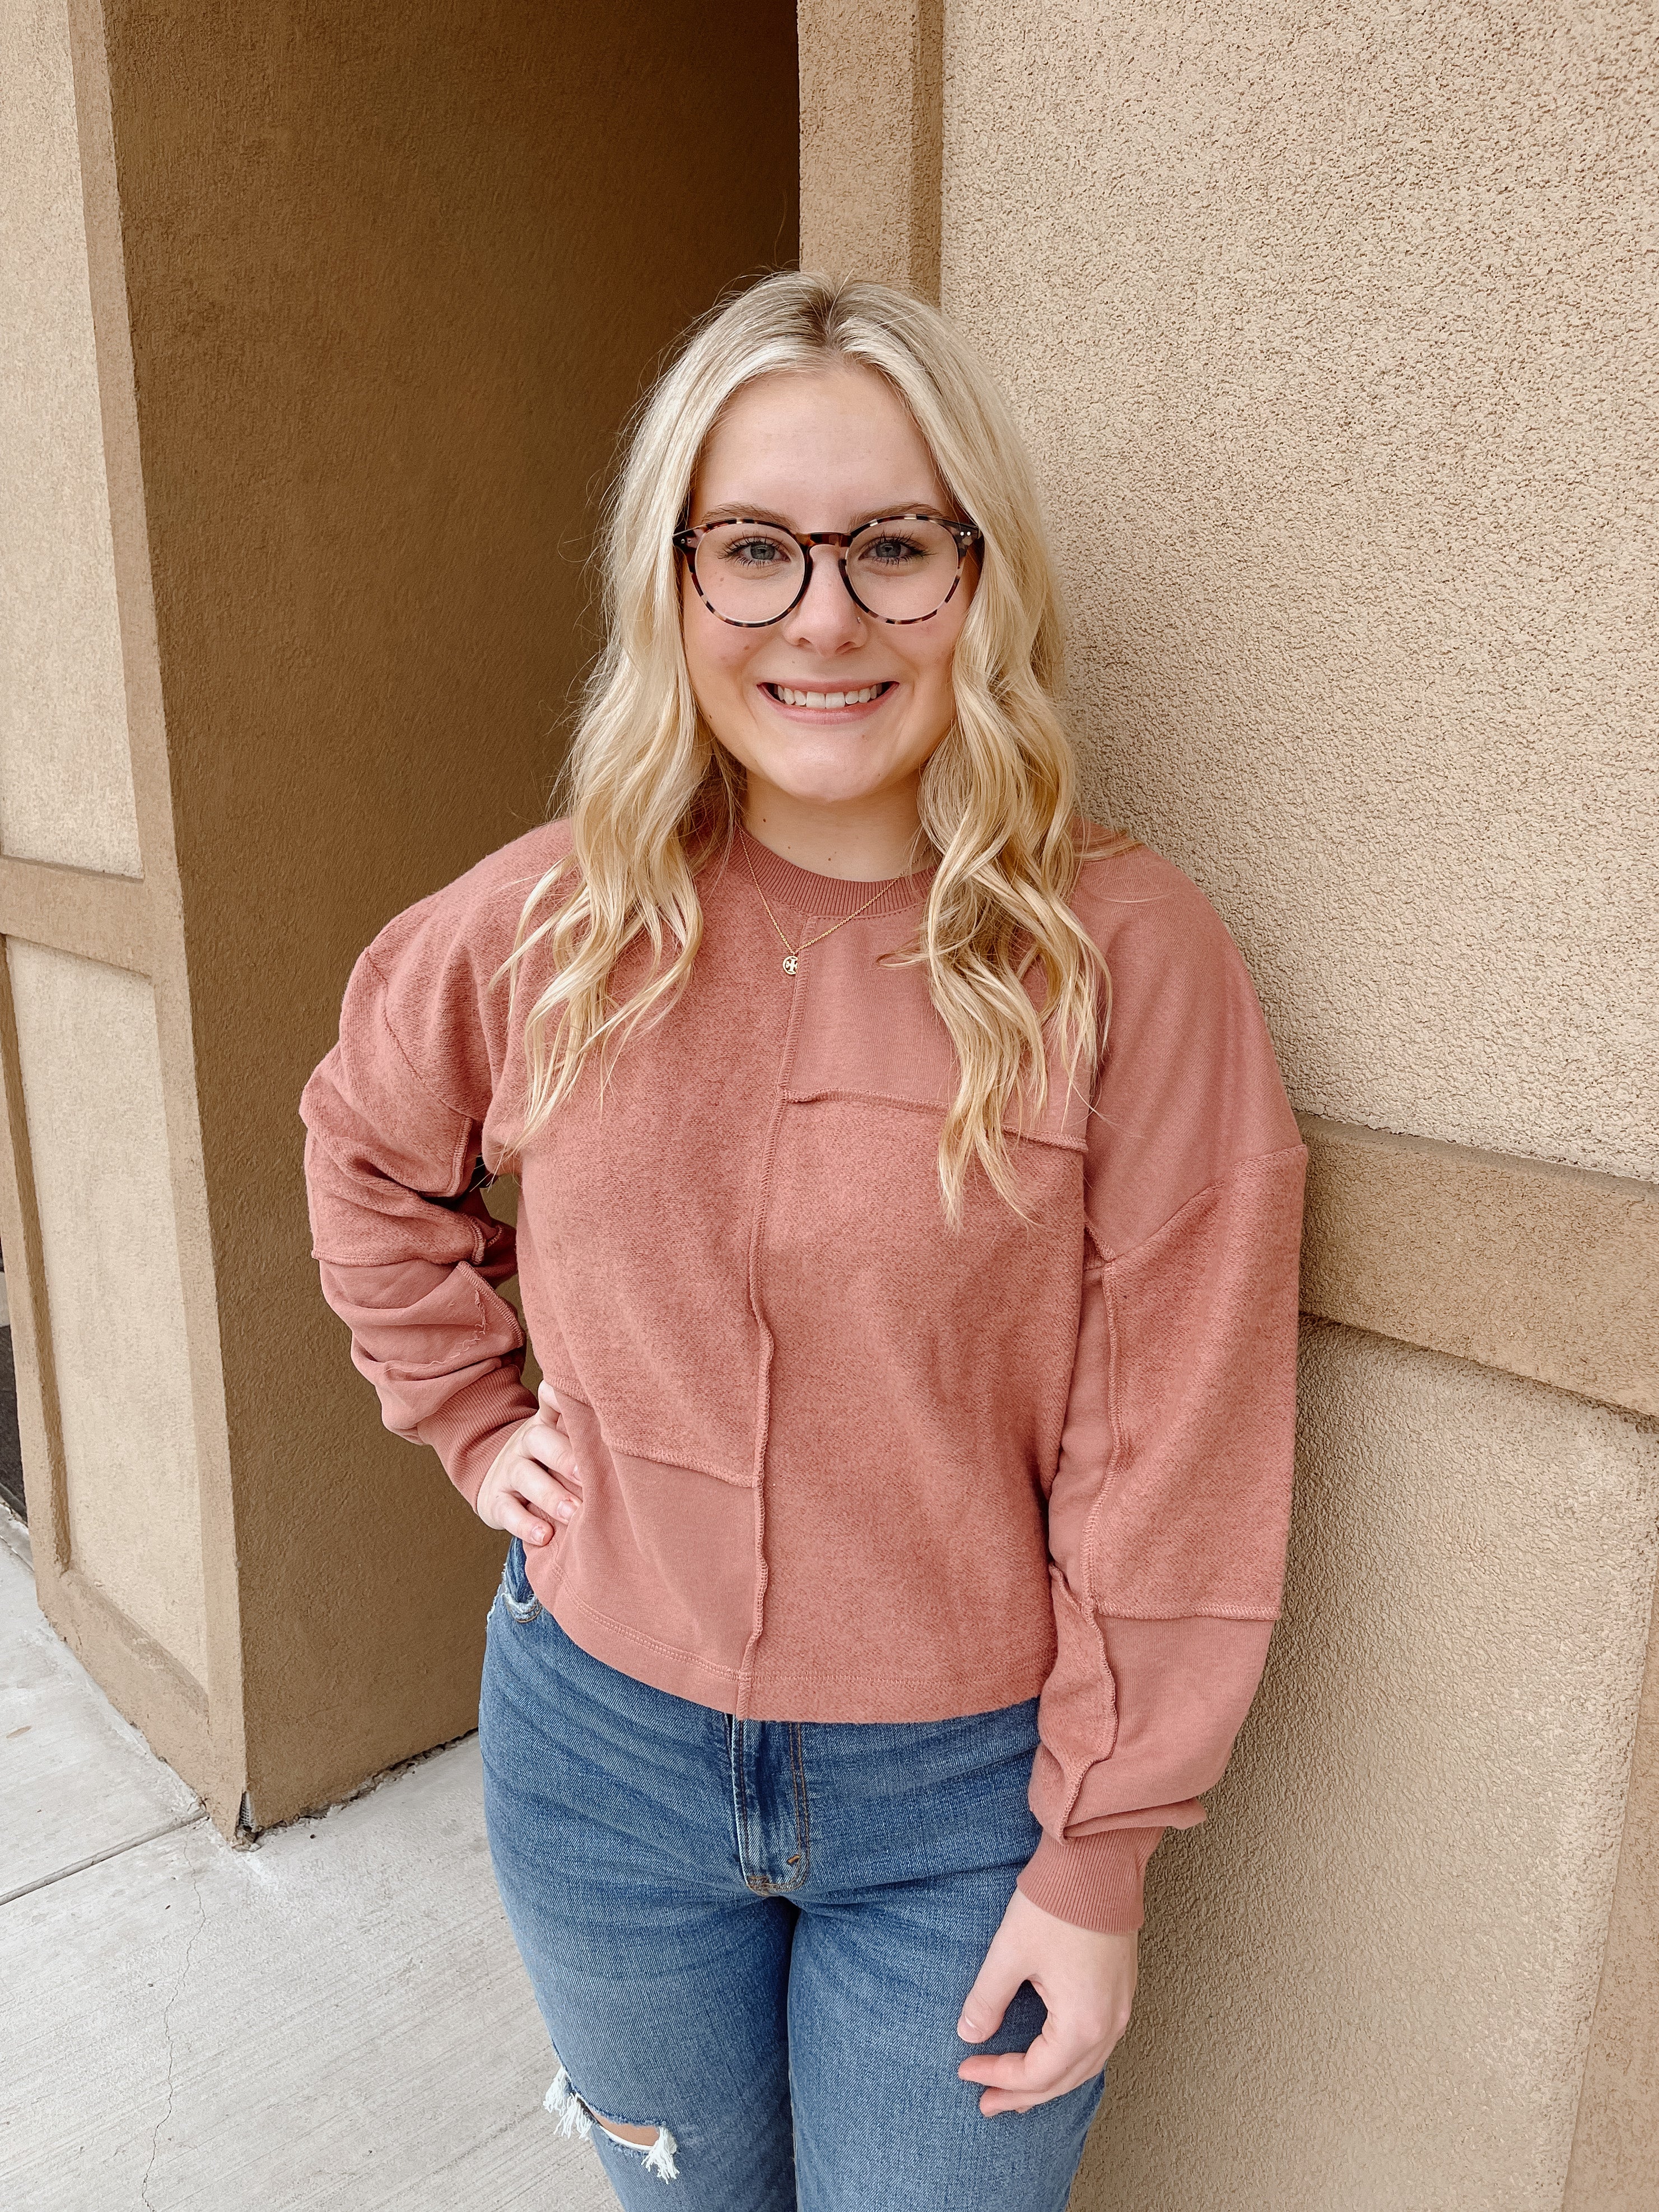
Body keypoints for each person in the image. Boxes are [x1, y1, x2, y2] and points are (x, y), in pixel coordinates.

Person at [300, 271, 1306, 2211]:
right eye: (753, 547)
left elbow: (1179, 1444)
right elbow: (363, 1143)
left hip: (965, 1813)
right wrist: (468, 1414)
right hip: (596, 1753)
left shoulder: (1126, 958)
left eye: (893, 547)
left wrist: (1097, 1853)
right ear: (672, 584)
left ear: (978, 579)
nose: (822, 618)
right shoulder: (547, 923)